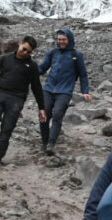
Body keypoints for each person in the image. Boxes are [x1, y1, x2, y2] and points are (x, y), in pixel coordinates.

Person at [0, 36, 47, 169]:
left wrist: (41, 108)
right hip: (0, 93)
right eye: (24, 49)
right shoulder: (5, 59)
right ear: (20, 44)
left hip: (17, 98)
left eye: (29, 52)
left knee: (7, 127)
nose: (26, 53)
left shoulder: (32, 66)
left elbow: (36, 87)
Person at [38, 28, 93, 156]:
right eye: (59, 39)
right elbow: (42, 68)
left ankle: (51, 144)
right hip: (48, 89)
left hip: (64, 91)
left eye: (63, 39)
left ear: (69, 39)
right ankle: (44, 142)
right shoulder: (52, 52)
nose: (61, 42)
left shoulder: (76, 55)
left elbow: (83, 75)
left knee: (57, 115)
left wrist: (85, 91)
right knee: (43, 115)